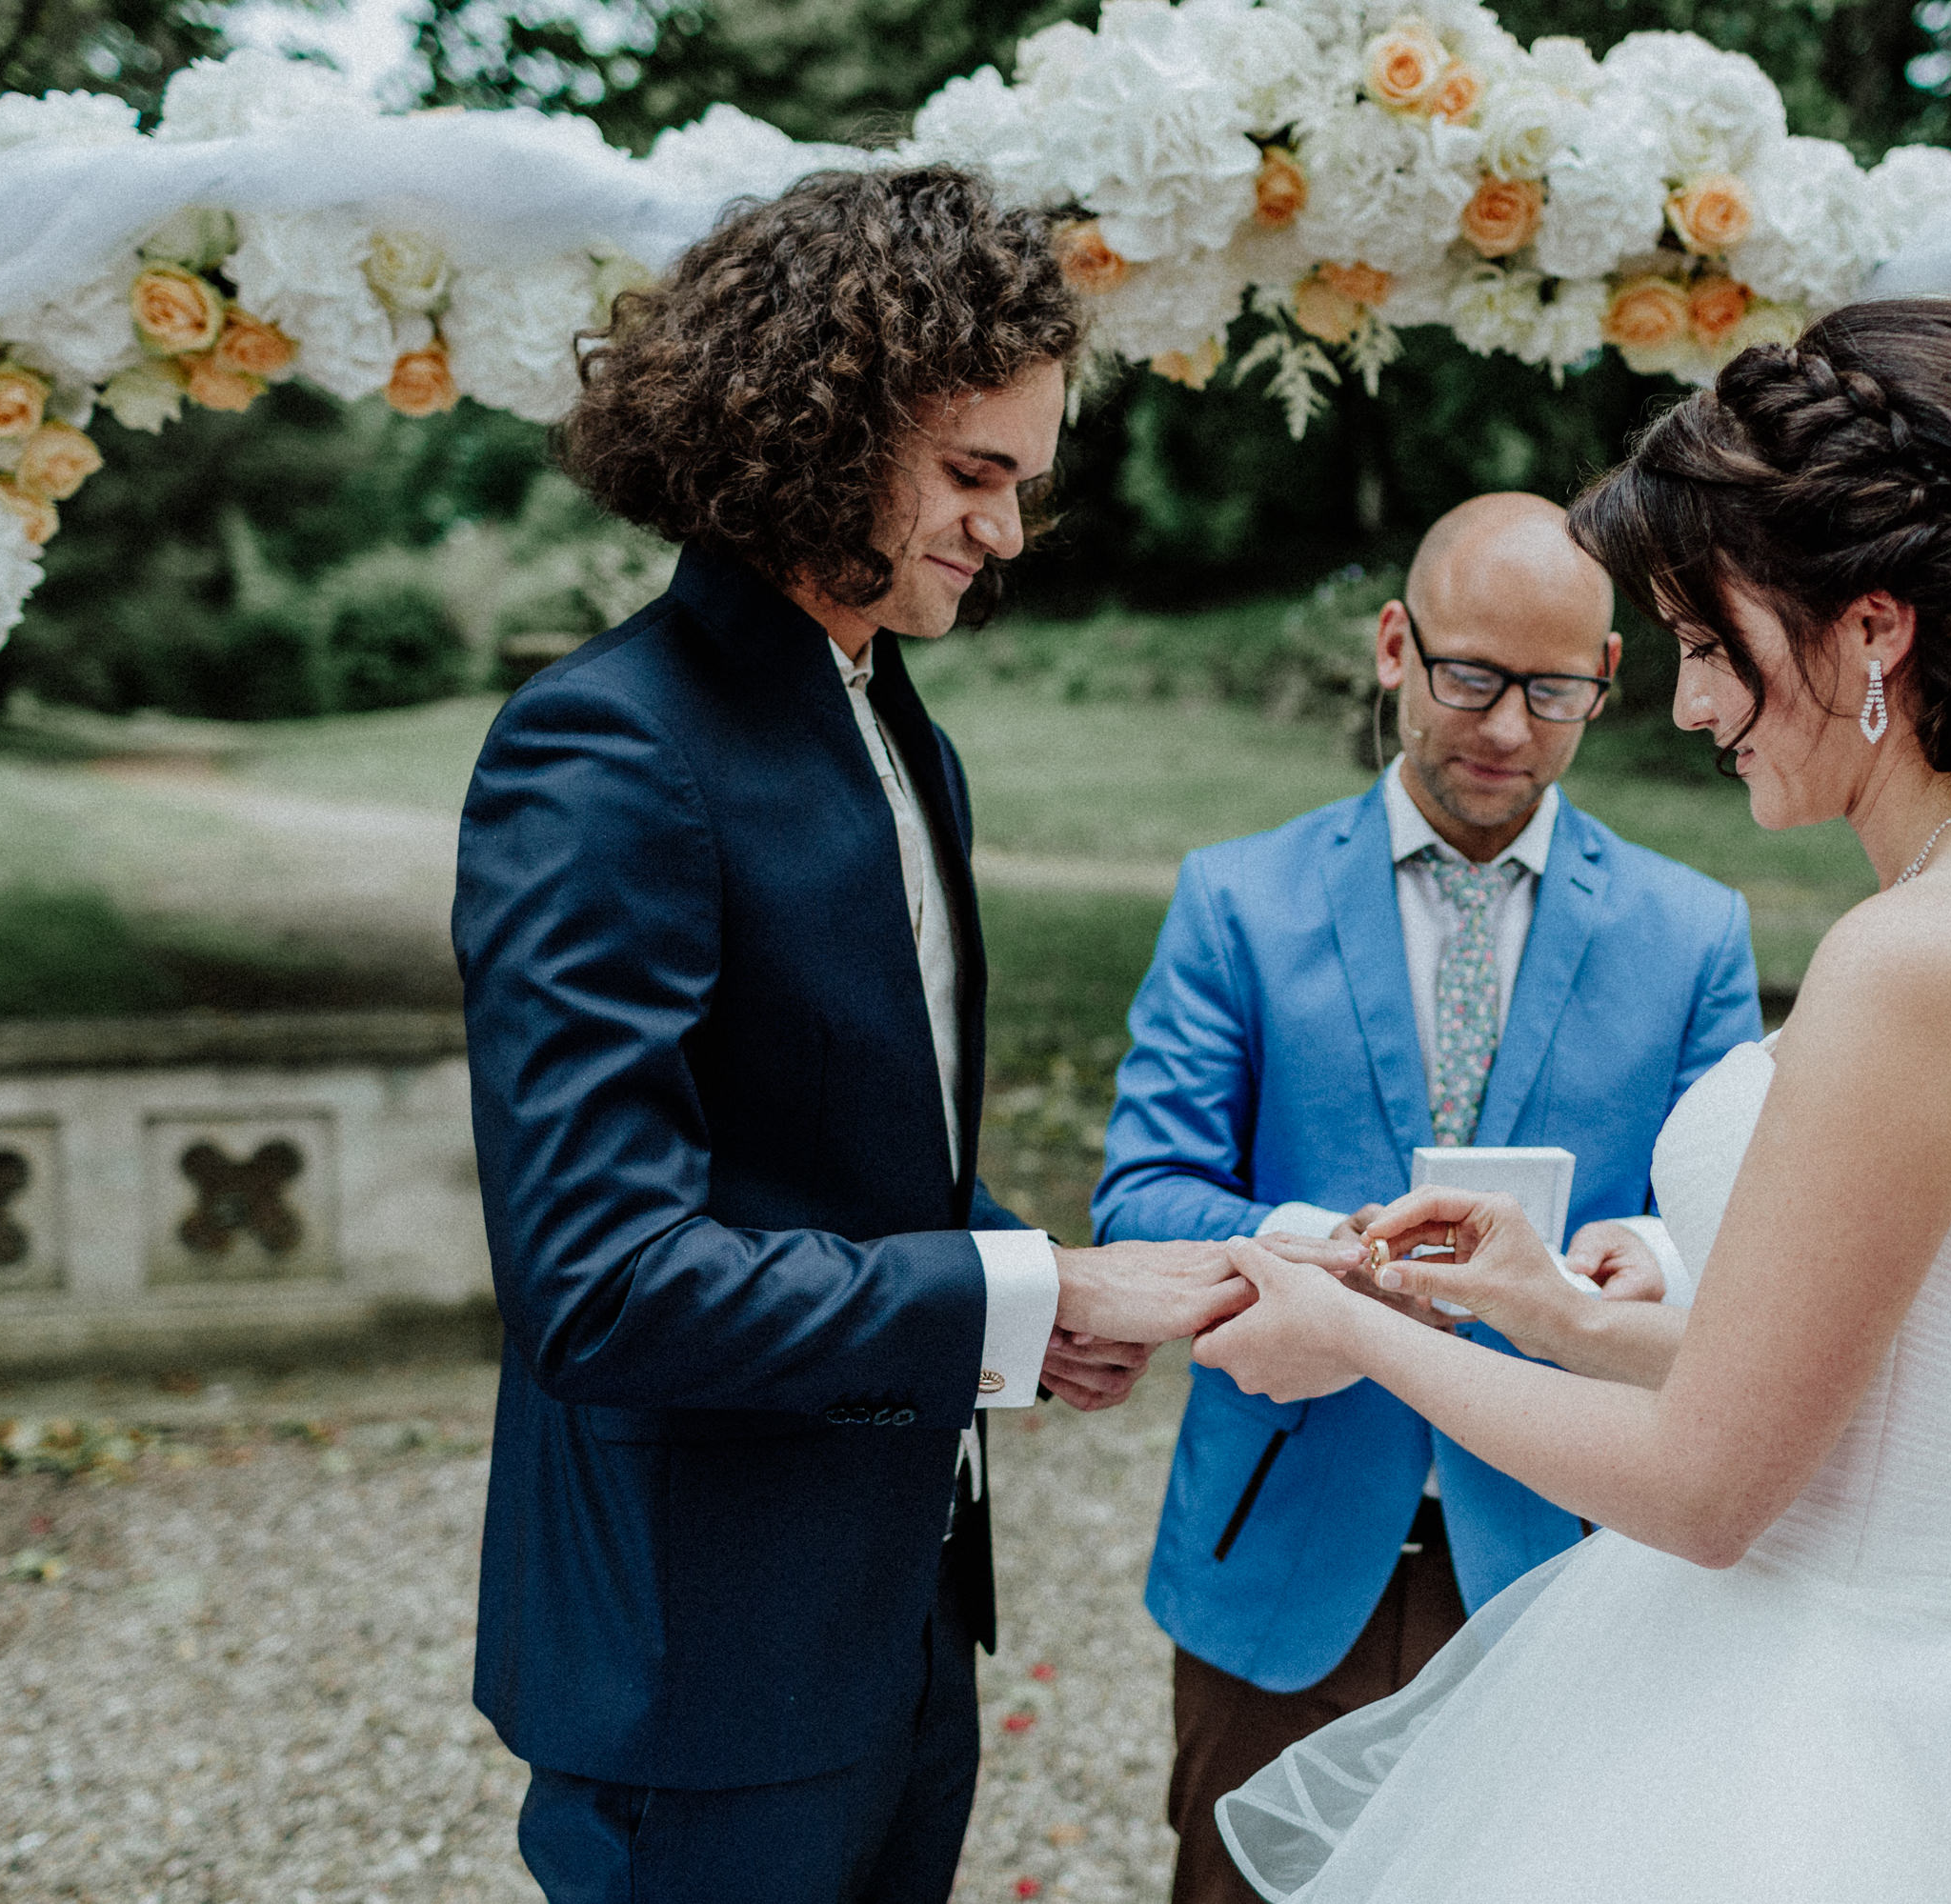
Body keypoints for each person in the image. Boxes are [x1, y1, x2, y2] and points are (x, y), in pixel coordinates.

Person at [1190, 302, 1951, 1901]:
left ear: (1872, 628)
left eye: (1708, 644)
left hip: (1822, 1732)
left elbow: (1704, 1490)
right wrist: (1554, 1310)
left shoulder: (1925, 958)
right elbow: (1853, 1380)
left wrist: (1354, 1330)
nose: (1686, 706)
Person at [453, 166, 1350, 1904]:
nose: (1009, 533)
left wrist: (1023, 1299)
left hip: (901, 1619)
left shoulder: (894, 720)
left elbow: (844, 1158)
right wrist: (1024, 1299)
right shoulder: (609, 751)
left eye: (1024, 481)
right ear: (812, 429)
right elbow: (603, 1280)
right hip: (699, 1655)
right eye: (973, 475)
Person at [1093, 491, 1763, 1904]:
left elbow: (1728, 1222)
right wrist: (1313, 1260)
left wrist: (1640, 1252)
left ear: (1610, 680)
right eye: (1469, 676)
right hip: (1278, 1562)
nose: (1507, 728)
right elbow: (1141, 1199)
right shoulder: (1237, 901)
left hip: (1572, 1562)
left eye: (1554, 689)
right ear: (1395, 645)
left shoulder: (1690, 929)